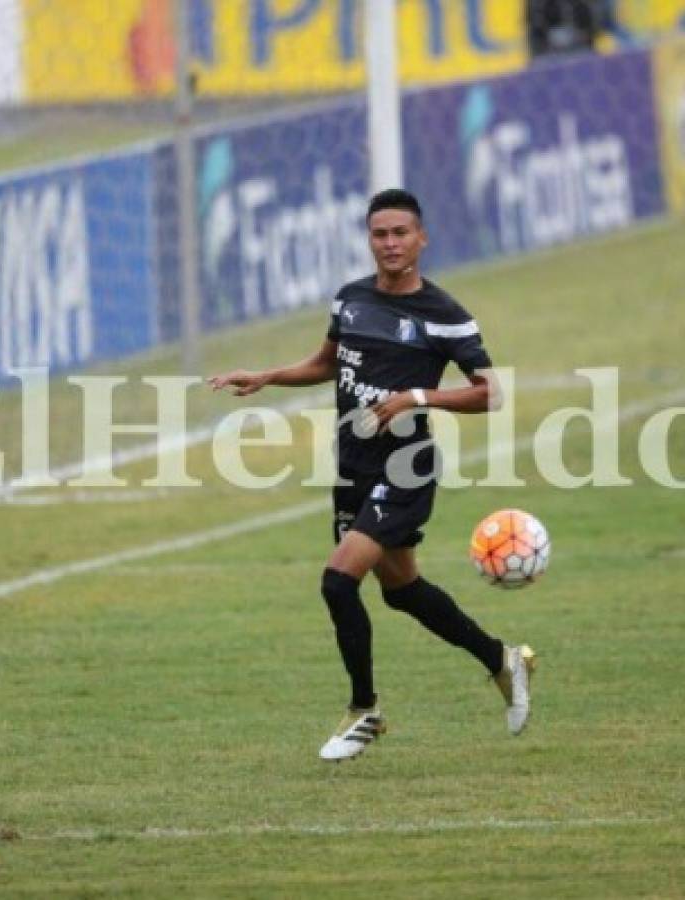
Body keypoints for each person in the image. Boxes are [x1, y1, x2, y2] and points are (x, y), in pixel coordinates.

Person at [208, 188, 535, 762]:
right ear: (370, 239)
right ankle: (501, 660)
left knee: (339, 581)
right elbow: (327, 363)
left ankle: (365, 711)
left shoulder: (446, 316)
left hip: (406, 467)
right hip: (352, 464)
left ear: (422, 238)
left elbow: (491, 394)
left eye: (401, 233)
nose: (390, 243)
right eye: (380, 234)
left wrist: (414, 396)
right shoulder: (351, 300)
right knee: (403, 592)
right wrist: (266, 376)